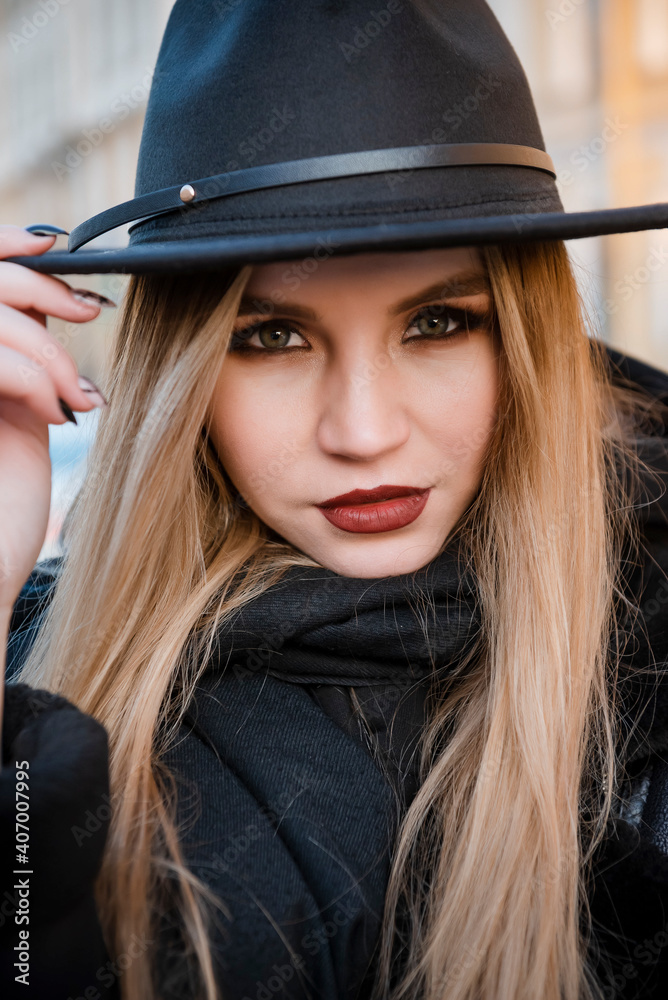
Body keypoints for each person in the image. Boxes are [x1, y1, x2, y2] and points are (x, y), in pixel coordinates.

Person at [2, 2, 668, 999]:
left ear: (523, 344)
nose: (361, 432)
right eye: (271, 336)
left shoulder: (645, 661)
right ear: (183, 376)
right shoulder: (41, 682)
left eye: (437, 320)